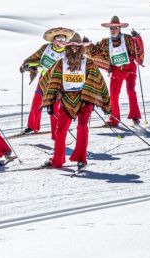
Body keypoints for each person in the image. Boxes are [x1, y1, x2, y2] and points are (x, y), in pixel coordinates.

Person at [39, 33, 110, 171]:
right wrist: (50, 101)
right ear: (67, 47)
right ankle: (57, 160)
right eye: (71, 46)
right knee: (60, 131)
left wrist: (103, 101)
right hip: (66, 100)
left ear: (81, 48)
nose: (74, 49)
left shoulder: (88, 62)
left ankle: (81, 159)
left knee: (82, 127)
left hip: (84, 99)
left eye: (77, 47)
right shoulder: (61, 62)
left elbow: (98, 81)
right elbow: (53, 81)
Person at [89, 16, 144, 127]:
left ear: (120, 28)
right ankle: (114, 119)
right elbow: (94, 50)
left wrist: (137, 38)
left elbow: (138, 49)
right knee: (113, 94)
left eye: (115, 28)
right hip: (116, 69)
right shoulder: (106, 42)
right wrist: (86, 45)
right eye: (111, 28)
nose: (113, 30)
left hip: (129, 67)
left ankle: (135, 116)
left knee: (131, 91)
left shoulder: (128, 38)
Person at [18, 27, 75, 136]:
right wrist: (27, 66)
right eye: (58, 39)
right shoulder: (46, 48)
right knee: (36, 103)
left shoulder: (68, 53)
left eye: (63, 39)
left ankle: (57, 134)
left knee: (53, 109)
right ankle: (32, 126)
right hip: (43, 80)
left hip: (57, 84)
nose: (60, 42)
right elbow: (38, 61)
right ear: (53, 40)